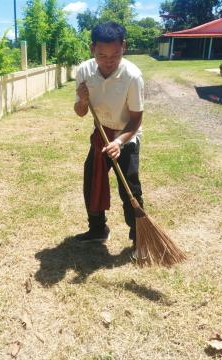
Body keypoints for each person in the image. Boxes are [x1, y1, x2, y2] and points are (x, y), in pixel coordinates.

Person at [74, 21, 144, 245]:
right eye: (102, 56)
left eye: (115, 55)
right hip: (101, 133)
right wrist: (83, 100)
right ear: (92, 48)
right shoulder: (84, 71)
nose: (108, 62)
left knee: (129, 188)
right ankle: (97, 229)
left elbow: (135, 120)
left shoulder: (133, 76)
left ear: (124, 46)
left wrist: (119, 142)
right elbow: (80, 112)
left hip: (126, 136)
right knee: (91, 181)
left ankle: (140, 237)